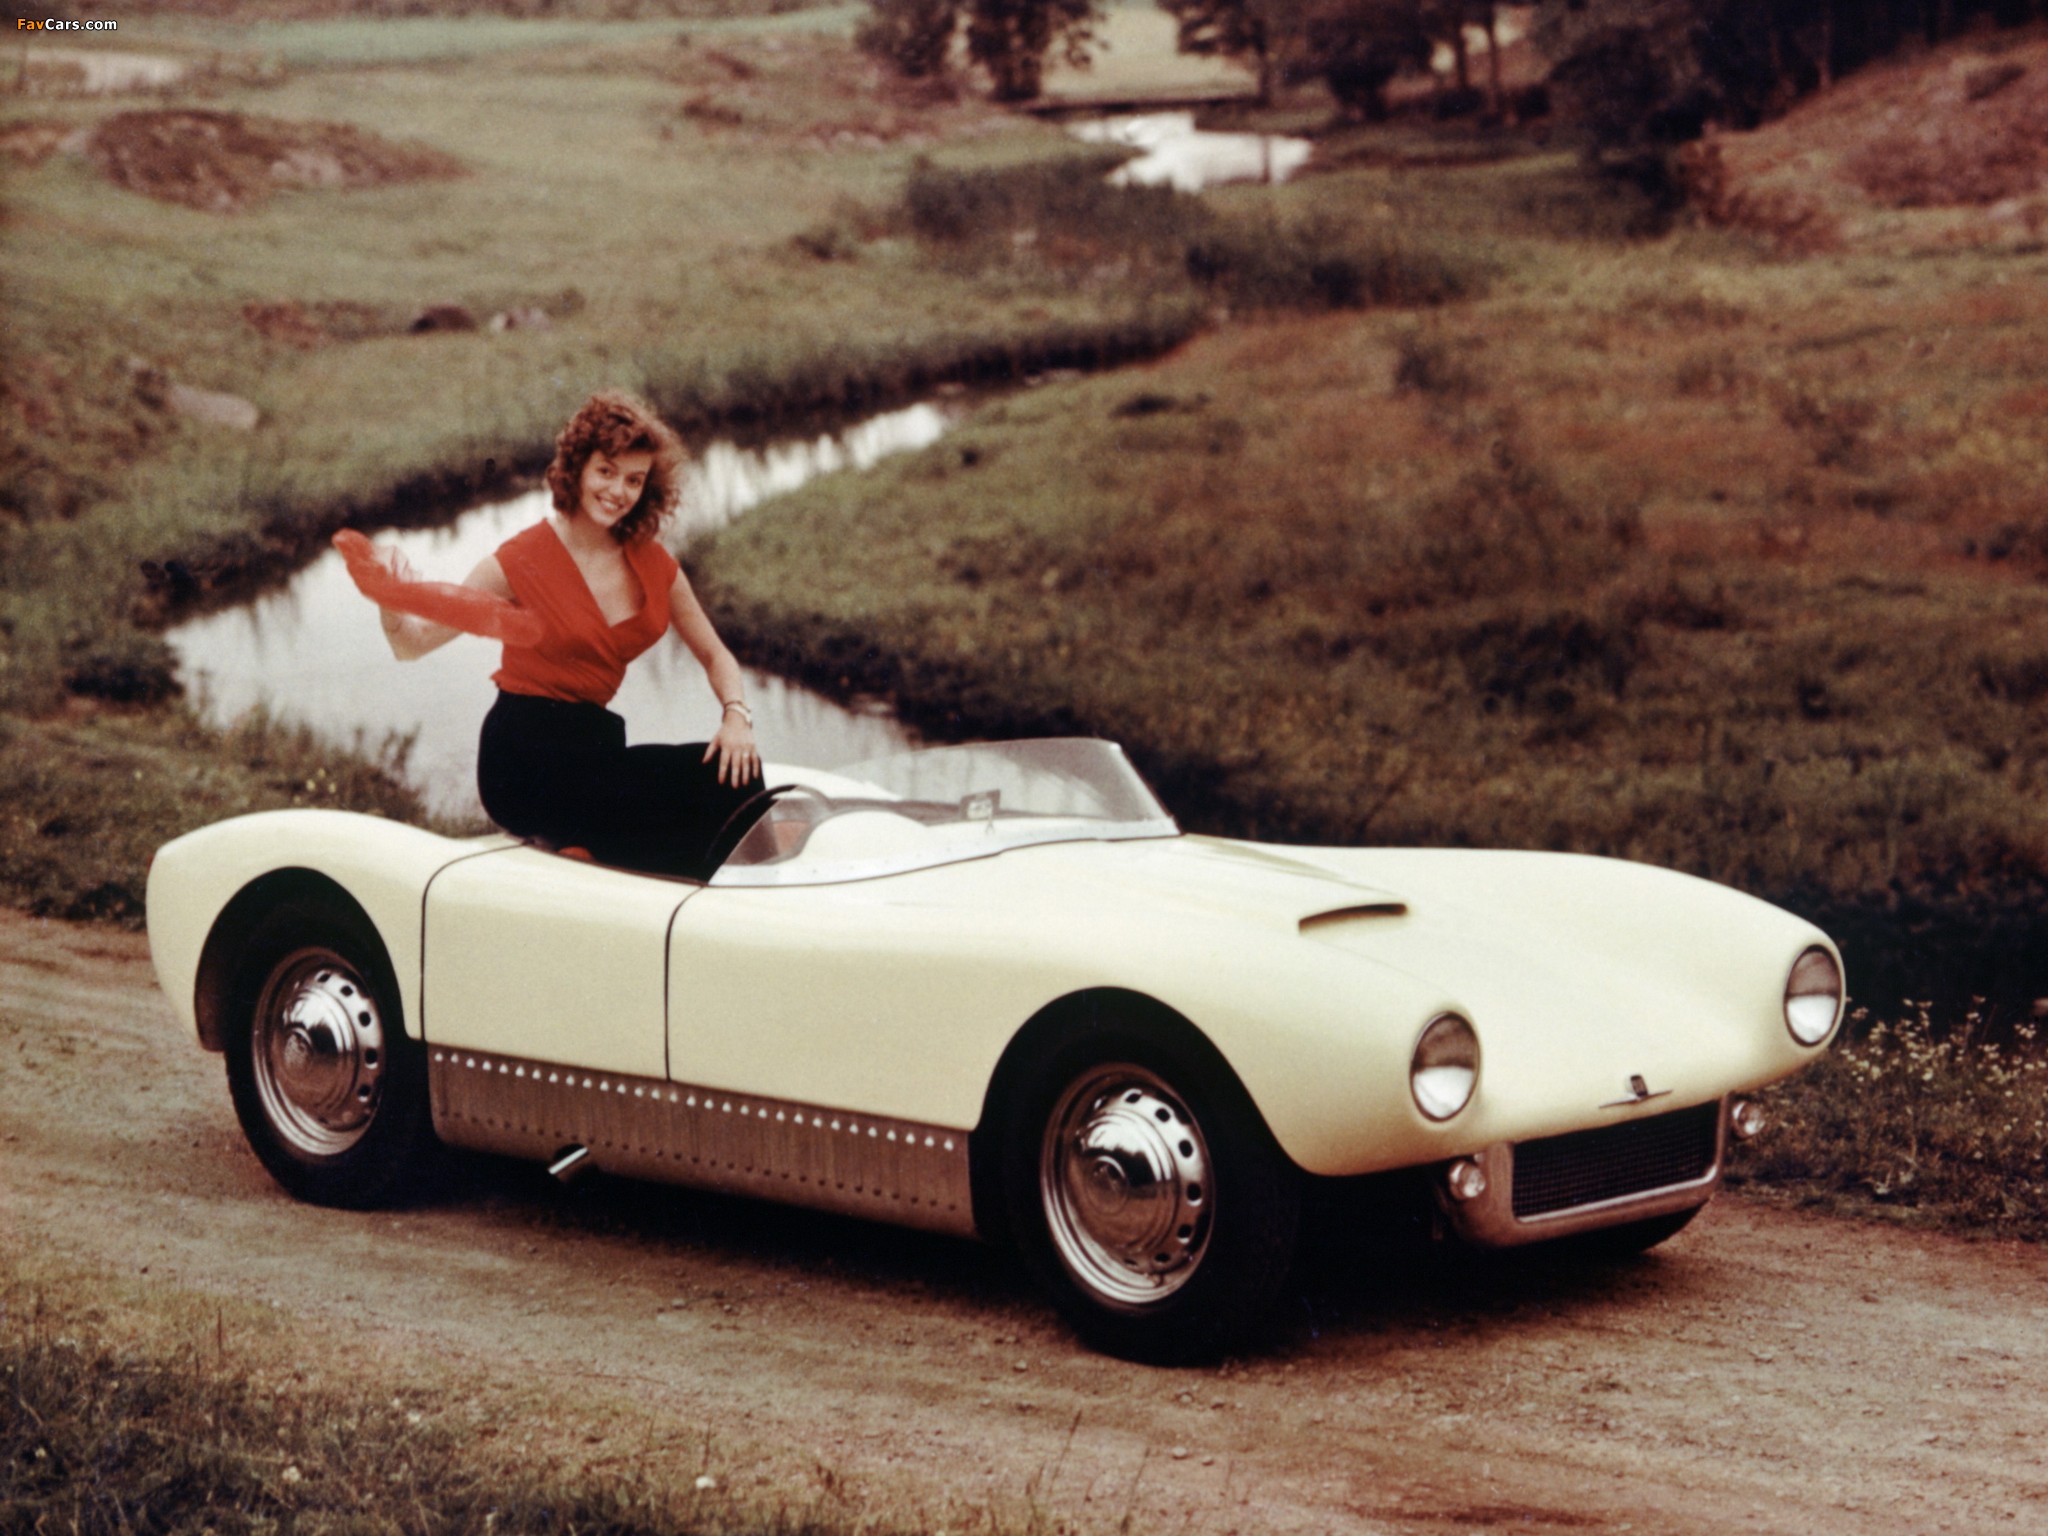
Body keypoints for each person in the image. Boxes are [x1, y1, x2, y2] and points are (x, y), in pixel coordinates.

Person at [366, 389, 766, 877]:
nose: (618, 491)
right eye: (606, 471)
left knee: (738, 780)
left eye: (634, 480)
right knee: (655, 813)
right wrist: (390, 601)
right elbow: (411, 644)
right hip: (523, 757)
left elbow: (716, 655)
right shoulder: (518, 562)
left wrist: (736, 717)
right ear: (576, 468)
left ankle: (591, 850)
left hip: (595, 753)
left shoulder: (655, 565)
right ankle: (592, 855)